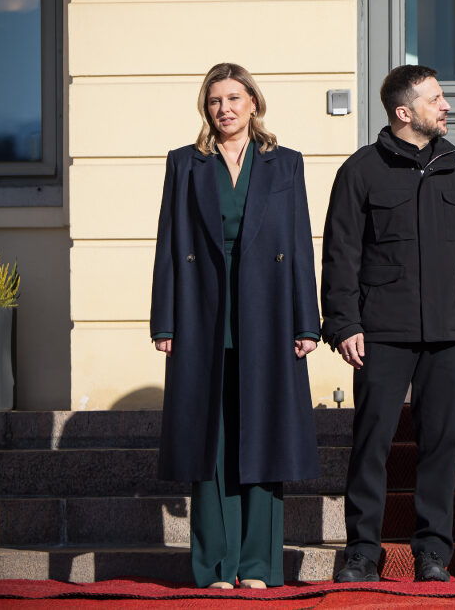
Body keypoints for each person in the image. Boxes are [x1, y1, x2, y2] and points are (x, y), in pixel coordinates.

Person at [321, 65, 455, 584]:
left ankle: (432, 553)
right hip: (380, 330)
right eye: (435, 98)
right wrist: (343, 323)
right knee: (371, 443)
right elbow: (340, 254)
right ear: (404, 111)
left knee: (441, 444)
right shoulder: (361, 171)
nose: (446, 106)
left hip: (445, 330)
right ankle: (362, 553)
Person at [150, 62, 321, 589]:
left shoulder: (285, 163)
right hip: (202, 309)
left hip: (269, 311)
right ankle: (214, 566)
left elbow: (299, 244)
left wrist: (307, 322)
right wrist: (165, 320)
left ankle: (258, 565)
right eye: (214, 101)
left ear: (253, 103)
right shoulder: (185, 162)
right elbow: (168, 242)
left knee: (264, 434)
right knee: (211, 438)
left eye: (232, 98)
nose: (223, 109)